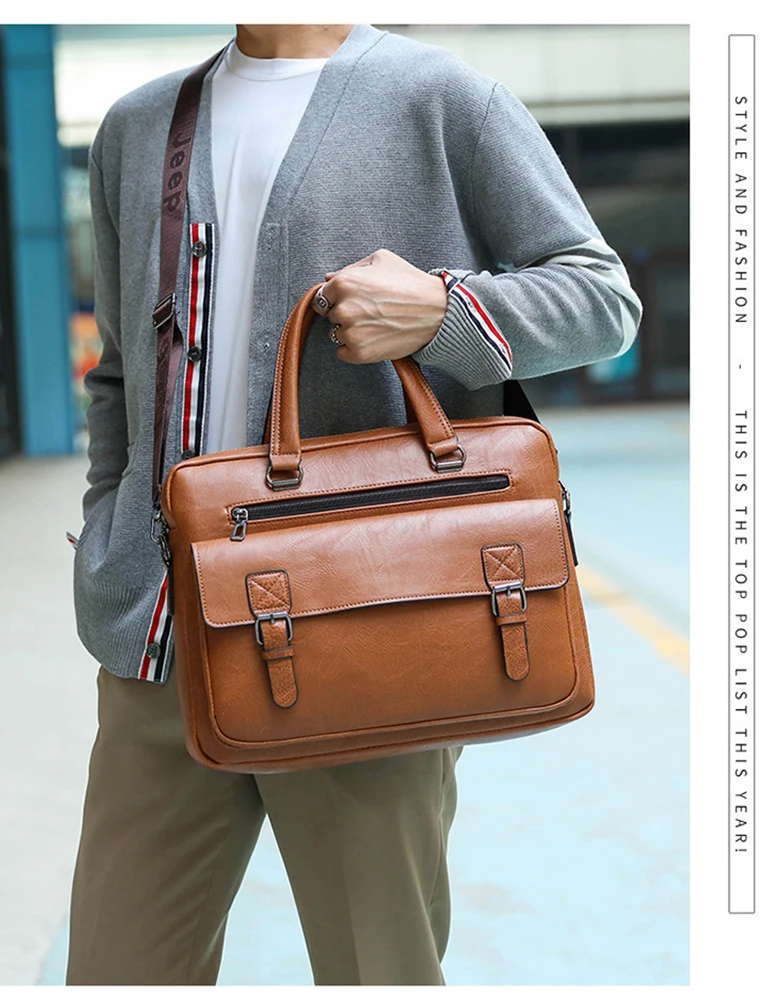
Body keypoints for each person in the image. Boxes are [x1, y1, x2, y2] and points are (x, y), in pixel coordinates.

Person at [67, 23, 642, 986]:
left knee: (379, 970)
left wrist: (444, 312)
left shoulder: (442, 100)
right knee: (115, 970)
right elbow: (121, 375)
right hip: (161, 642)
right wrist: (110, 532)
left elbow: (602, 299)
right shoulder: (138, 126)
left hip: (364, 630)